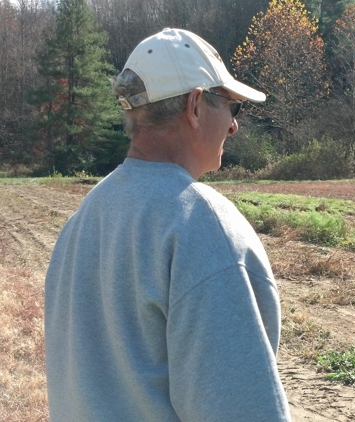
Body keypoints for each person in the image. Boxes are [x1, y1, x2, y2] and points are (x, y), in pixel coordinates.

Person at [44, 28, 291, 422]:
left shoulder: (83, 220)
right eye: (231, 106)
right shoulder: (202, 225)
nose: (233, 126)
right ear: (195, 106)